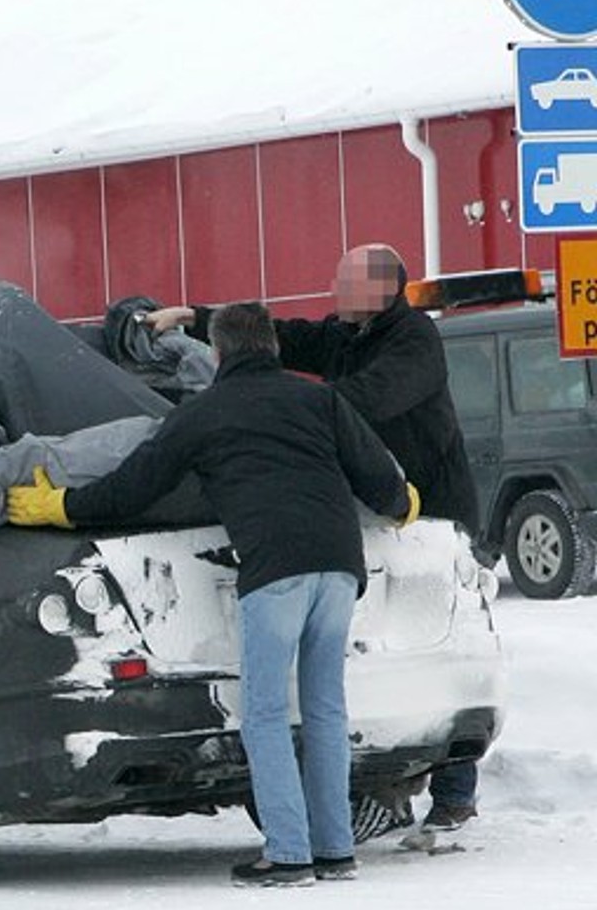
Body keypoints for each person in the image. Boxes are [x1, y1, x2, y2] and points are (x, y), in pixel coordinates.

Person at [7, 302, 418, 886]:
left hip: (276, 571)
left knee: (267, 715)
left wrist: (60, 506)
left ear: (218, 353)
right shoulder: (319, 399)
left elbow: (133, 486)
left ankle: (289, 855)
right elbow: (381, 480)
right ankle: (334, 850)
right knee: (326, 711)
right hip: (339, 569)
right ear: (273, 346)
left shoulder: (205, 414)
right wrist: (405, 506)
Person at [143, 244, 483, 832]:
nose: (333, 289)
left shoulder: (413, 342)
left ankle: (453, 785)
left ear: (380, 290)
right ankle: (383, 784)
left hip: (432, 512)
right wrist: (195, 318)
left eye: (345, 282)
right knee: (356, 667)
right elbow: (282, 338)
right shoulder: (345, 335)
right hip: (371, 507)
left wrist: (285, 410)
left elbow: (371, 399)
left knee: (439, 641)